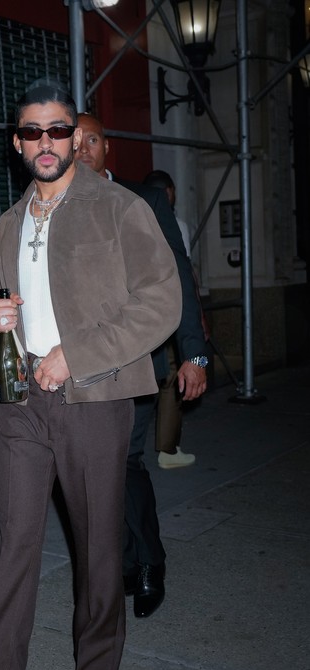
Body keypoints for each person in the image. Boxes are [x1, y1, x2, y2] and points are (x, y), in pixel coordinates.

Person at [0, 83, 181, 670]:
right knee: (12, 554)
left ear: (74, 136)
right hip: (23, 407)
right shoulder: (5, 222)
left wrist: (76, 355)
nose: (47, 143)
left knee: (97, 550)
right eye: (32, 133)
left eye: (59, 130)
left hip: (95, 399)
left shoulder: (121, 209)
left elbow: (162, 302)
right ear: (17, 142)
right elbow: (9, 315)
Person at [77, 113, 207, 618]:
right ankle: (127, 561)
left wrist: (193, 353)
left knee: (125, 463)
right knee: (95, 470)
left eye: (93, 138)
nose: (83, 148)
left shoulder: (143, 201)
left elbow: (177, 280)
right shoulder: (57, 209)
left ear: (107, 147)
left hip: (135, 361)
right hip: (82, 364)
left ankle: (148, 562)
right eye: (76, 140)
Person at [143, 169, 199, 469]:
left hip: (140, 314)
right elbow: (184, 274)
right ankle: (167, 450)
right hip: (169, 313)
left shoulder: (130, 213)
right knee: (172, 375)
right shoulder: (176, 223)